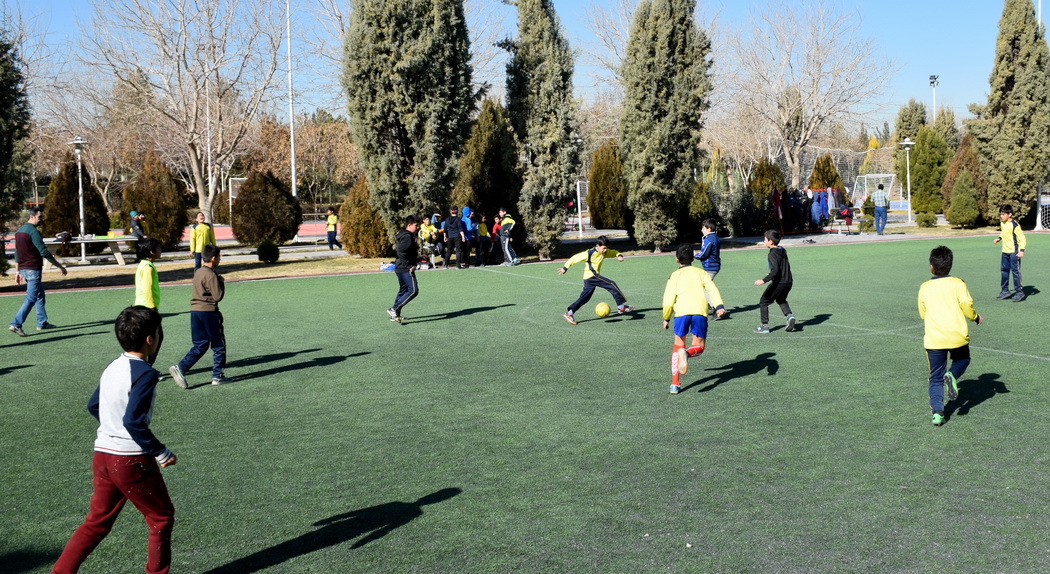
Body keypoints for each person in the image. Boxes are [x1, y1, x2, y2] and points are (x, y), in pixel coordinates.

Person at [51, 306, 176, 574]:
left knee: (96, 522)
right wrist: (161, 452)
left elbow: (93, 405)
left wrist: (111, 427)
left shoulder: (113, 365)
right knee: (161, 518)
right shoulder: (146, 373)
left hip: (103, 456)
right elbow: (133, 421)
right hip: (130, 459)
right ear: (150, 339)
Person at [918, 245, 983, 426]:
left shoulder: (925, 287)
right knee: (962, 360)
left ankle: (938, 413)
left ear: (931, 266)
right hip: (957, 336)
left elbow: (922, 313)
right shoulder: (958, 283)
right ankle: (953, 375)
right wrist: (976, 318)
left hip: (934, 339)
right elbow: (966, 305)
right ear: (950, 265)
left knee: (935, 377)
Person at [663, 244, 727, 394]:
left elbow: (668, 299)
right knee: (699, 346)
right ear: (693, 258)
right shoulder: (701, 273)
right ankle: (688, 354)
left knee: (678, 346)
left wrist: (666, 317)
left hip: (681, 314)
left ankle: (674, 384)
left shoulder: (674, 275)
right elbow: (712, 288)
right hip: (699, 312)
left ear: (676, 260)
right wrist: (719, 306)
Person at [168, 244, 227, 388]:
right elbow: (217, 296)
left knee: (200, 344)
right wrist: (221, 283)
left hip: (195, 311)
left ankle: (181, 367)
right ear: (213, 258)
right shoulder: (211, 274)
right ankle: (217, 375)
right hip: (209, 312)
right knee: (219, 345)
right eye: (219, 257)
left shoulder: (198, 271)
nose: (220, 260)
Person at [8, 207, 68, 337]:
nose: (42, 219)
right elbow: (44, 252)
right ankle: (16, 324)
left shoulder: (19, 232)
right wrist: (59, 266)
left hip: (24, 269)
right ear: (32, 217)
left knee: (39, 295)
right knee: (31, 297)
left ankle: (42, 322)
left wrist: (17, 271)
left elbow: (16, 252)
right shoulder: (33, 232)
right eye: (40, 217)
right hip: (33, 269)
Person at [557, 235, 633, 325]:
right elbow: (575, 258)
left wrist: (619, 255)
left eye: (606, 248)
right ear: (598, 246)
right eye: (604, 248)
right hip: (592, 276)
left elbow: (613, 252)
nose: (605, 250)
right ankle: (621, 307)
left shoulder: (603, 252)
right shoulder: (589, 253)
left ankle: (569, 313)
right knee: (611, 284)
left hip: (589, 279)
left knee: (584, 298)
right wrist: (565, 268)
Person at [753, 229, 796, 334]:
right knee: (781, 299)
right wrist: (771, 273)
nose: (764, 241)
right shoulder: (782, 250)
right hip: (788, 281)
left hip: (779, 283)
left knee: (764, 301)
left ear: (771, 241)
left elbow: (776, 270)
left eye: (765, 239)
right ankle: (790, 316)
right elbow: (780, 267)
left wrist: (763, 280)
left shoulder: (772, 253)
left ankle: (764, 326)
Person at [134, 238, 164, 364]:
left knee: (150, 337)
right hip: (146, 307)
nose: (160, 250)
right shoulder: (147, 267)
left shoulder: (145, 264)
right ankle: (146, 366)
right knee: (156, 337)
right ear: (151, 251)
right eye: (158, 248)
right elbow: (147, 289)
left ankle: (145, 365)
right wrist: (152, 308)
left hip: (143, 306)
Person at [387, 215, 420, 324]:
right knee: (413, 290)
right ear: (409, 225)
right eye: (416, 225)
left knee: (403, 290)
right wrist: (409, 265)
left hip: (400, 267)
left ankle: (395, 315)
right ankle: (394, 309)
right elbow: (401, 251)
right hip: (405, 268)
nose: (417, 227)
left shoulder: (405, 235)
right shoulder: (407, 237)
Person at [993, 204, 1026, 302]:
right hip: (1005, 252)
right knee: (1004, 271)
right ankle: (1005, 290)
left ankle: (1020, 292)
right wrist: (999, 238)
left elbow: (1022, 238)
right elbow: (1003, 232)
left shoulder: (1015, 225)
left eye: (1003, 214)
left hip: (1014, 253)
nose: (1001, 216)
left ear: (1010, 214)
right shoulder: (1002, 223)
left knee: (1015, 272)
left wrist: (1022, 251)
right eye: (1000, 214)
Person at [694, 219, 723, 318]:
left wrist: (695, 255)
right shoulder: (713, 237)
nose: (702, 230)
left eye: (703, 228)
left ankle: (717, 308)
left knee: (705, 288)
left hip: (711, 267)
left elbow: (704, 254)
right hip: (712, 266)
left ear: (709, 229)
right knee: (705, 286)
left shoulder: (709, 239)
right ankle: (710, 306)